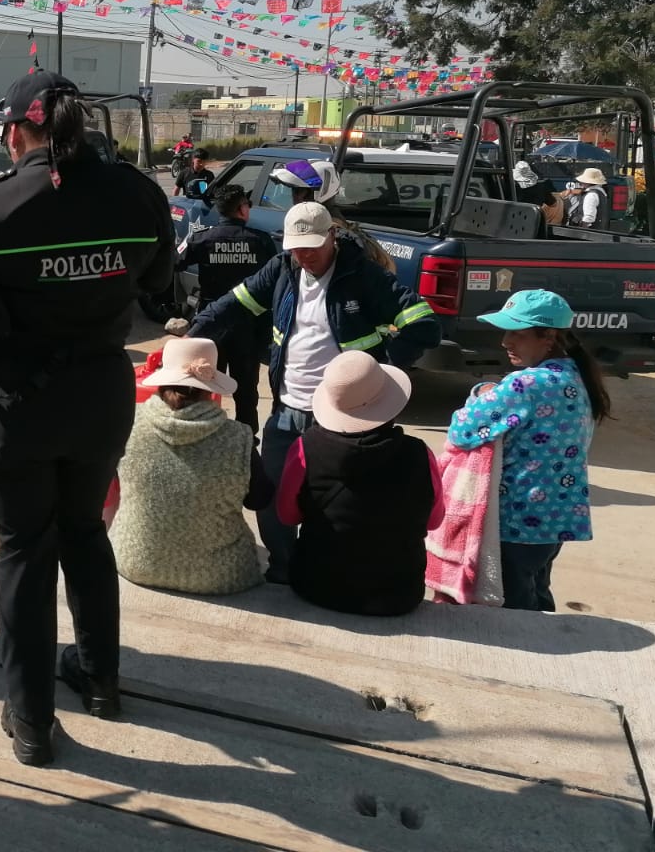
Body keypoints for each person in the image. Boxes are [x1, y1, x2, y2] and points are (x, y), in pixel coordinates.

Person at [0, 70, 174, 766]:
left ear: (16, 130)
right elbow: (159, 284)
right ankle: (100, 681)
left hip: (17, 410)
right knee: (86, 532)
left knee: (26, 554)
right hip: (100, 398)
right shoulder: (139, 195)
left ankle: (30, 721)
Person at [189, 201, 440, 584]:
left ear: (332, 237)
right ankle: (284, 568)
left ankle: (319, 568)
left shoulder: (364, 276)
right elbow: (230, 308)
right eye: (296, 247)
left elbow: (424, 325)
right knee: (272, 497)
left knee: (332, 505)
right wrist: (188, 342)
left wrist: (382, 367)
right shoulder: (282, 270)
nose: (303, 255)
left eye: (311, 246)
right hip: (287, 408)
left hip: (344, 419)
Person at [445, 290, 608, 611]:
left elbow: (462, 432)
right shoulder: (576, 376)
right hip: (554, 522)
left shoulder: (525, 385)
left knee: (515, 614)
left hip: (517, 523)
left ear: (548, 337)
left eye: (517, 334)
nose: (506, 341)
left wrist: (480, 391)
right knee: (538, 594)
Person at [275, 351, 444, 616]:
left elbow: (287, 515)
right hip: (398, 596)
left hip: (315, 586)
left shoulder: (305, 448)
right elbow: (434, 521)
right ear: (390, 404)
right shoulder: (420, 454)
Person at [109, 338, 262, 596]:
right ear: (209, 388)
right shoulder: (239, 439)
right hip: (220, 575)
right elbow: (260, 499)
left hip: (134, 561)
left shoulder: (127, 424)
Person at [175, 184, 277, 437]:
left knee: (206, 384)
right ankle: (247, 442)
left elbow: (174, 263)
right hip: (249, 325)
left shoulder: (201, 237)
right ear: (242, 209)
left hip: (212, 325)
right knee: (246, 391)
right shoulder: (261, 240)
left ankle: (208, 437)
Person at [274, 158, 395, 272]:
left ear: (313, 193)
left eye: (297, 191)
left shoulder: (334, 238)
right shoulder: (343, 230)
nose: (294, 197)